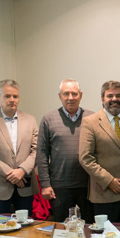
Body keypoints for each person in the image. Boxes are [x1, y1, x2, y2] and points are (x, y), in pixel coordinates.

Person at [0, 79, 38, 215]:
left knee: (26, 231)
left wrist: (22, 170)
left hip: (25, 187)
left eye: (15, 96)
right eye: (7, 96)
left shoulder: (30, 120)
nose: (12, 100)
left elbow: (36, 151)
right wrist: (11, 174)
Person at [36, 79, 94, 223]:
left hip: (89, 184)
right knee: (62, 228)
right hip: (60, 186)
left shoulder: (92, 118)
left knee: (90, 228)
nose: (70, 98)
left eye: (74, 94)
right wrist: (45, 184)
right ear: (59, 95)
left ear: (81, 95)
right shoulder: (48, 119)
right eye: (66, 94)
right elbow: (42, 153)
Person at [79, 80, 120, 222]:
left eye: (118, 95)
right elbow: (85, 157)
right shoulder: (90, 122)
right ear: (102, 98)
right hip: (104, 193)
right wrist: (109, 181)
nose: (114, 99)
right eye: (110, 96)